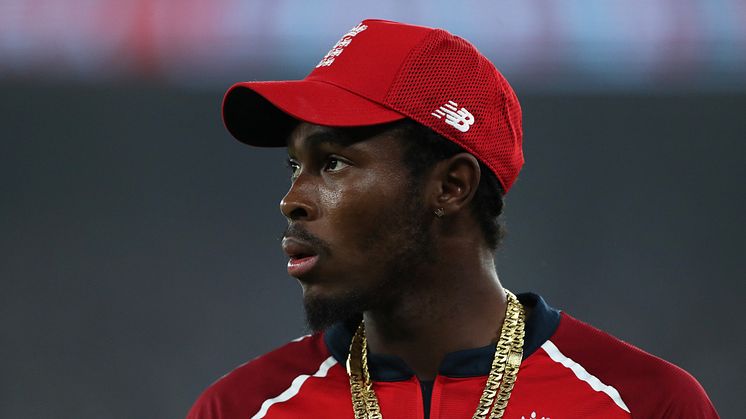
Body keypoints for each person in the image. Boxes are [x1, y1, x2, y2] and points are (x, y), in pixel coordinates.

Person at [187, 19, 718, 419]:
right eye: (293, 165)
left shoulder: (648, 403)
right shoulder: (239, 406)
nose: (292, 200)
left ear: (451, 186)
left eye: (332, 163)